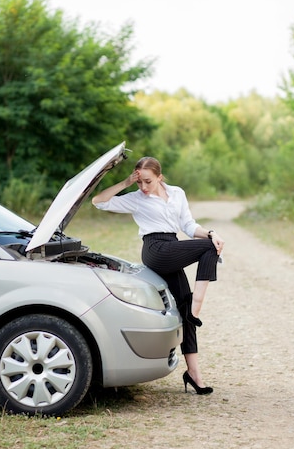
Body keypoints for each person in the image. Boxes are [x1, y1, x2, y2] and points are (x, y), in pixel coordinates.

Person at [92, 155, 224, 396]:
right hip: (155, 249)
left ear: (159, 177)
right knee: (208, 247)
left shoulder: (177, 194)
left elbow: (189, 226)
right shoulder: (135, 199)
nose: (142, 187)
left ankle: (194, 374)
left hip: (172, 246)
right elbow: (98, 201)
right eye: (139, 182)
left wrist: (210, 232)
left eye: (148, 182)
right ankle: (197, 308)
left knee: (209, 245)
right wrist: (124, 183)